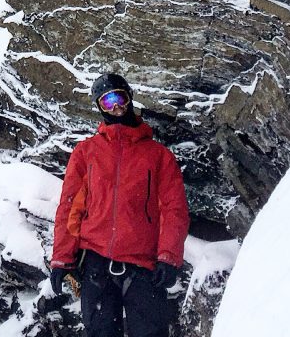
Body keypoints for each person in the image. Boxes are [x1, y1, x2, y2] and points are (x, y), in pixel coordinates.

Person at [50, 73, 190, 337]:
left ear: (129, 98)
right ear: (99, 107)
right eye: (107, 101)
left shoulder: (159, 156)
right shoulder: (86, 153)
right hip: (96, 263)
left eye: (120, 98)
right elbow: (69, 208)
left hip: (143, 266)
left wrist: (169, 257)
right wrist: (61, 259)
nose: (116, 107)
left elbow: (174, 209)